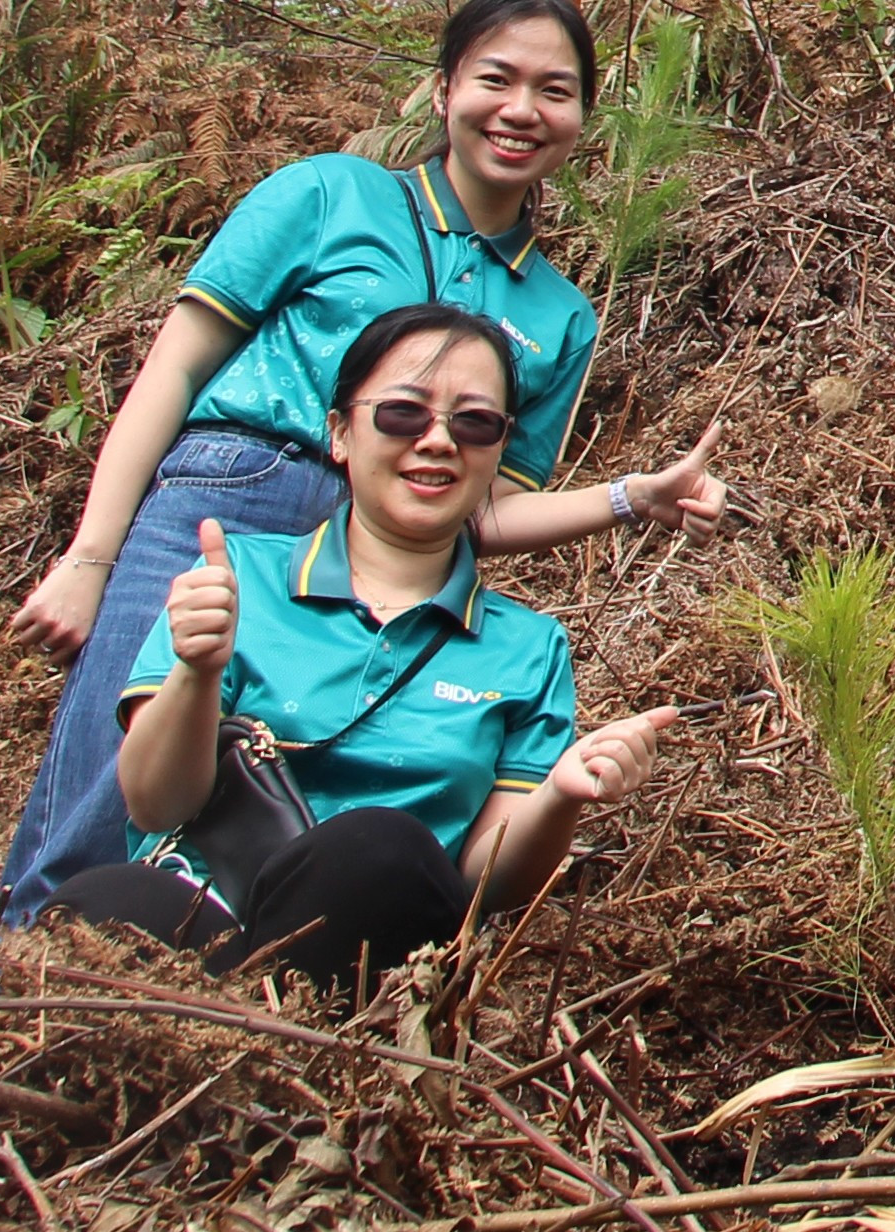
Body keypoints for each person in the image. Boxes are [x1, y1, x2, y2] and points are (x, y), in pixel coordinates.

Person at [0, 0, 730, 924]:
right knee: (109, 793)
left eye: (554, 90)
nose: (520, 111)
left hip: (394, 559)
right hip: (231, 505)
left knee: (301, 814)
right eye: (494, 79)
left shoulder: (559, 315)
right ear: (441, 92)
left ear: (583, 116)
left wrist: (632, 499)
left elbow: (479, 509)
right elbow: (174, 371)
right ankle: (5, 1008)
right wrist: (92, 557)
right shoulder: (327, 194)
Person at [44, 306, 680, 988]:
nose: (438, 441)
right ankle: (234, 1044)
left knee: (377, 850)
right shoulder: (237, 578)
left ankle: (262, 1042)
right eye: (403, 413)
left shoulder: (528, 648)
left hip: (370, 948)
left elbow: (489, 883)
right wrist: (198, 672)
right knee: (100, 904)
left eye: (474, 422)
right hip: (202, 913)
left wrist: (559, 795)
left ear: (498, 452)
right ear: (341, 433)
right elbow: (154, 805)